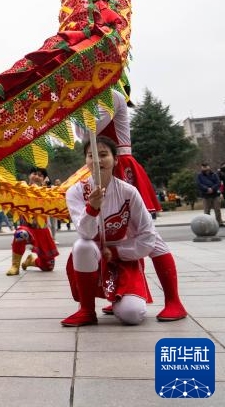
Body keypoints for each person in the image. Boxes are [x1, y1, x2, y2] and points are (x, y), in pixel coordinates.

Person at [89, 88, 187, 320]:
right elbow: (84, 138)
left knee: (148, 235)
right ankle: (122, 293)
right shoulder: (91, 101)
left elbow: (88, 131)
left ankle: (174, 301)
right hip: (103, 166)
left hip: (120, 166)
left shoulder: (112, 96)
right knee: (112, 235)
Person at [62, 136, 159, 327]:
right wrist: (92, 208)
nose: (97, 160)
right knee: (82, 246)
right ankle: (87, 310)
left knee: (132, 315)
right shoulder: (75, 192)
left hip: (123, 258)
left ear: (116, 160)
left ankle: (118, 300)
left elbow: (148, 238)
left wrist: (115, 252)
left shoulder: (128, 192)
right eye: (91, 156)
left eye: (103, 155)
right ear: (86, 161)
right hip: (94, 257)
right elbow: (86, 234)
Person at [6, 167, 59, 275]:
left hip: (42, 231)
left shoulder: (47, 192)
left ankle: (30, 261)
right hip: (27, 229)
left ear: (44, 179)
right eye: (34, 174)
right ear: (29, 176)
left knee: (49, 266)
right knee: (20, 234)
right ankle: (15, 266)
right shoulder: (21, 189)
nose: (37, 177)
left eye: (40, 175)